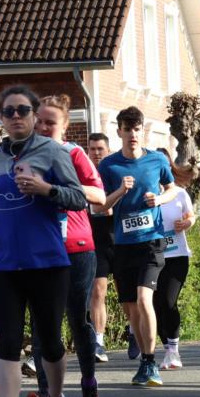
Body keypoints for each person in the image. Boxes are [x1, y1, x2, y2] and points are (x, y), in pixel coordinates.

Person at [0, 85, 87, 397]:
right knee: (7, 341)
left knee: (49, 341)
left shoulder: (52, 152)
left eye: (22, 110)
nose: (16, 117)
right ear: (1, 118)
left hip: (46, 261)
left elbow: (78, 199)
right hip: (2, 262)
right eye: (9, 112)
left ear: (35, 116)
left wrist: (46, 189)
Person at [22, 95, 106, 397]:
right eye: (39, 120)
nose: (43, 127)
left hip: (76, 247)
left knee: (77, 319)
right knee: (43, 324)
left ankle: (88, 382)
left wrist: (58, 185)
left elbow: (99, 198)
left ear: (65, 125)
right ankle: (46, 394)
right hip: (40, 249)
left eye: (50, 122)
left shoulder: (74, 154)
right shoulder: (25, 155)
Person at [96, 106, 179, 387]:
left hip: (151, 243)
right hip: (123, 245)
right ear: (119, 131)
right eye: (127, 129)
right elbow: (100, 204)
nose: (132, 134)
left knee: (145, 300)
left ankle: (150, 361)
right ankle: (145, 359)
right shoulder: (108, 166)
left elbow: (174, 189)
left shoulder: (156, 160)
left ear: (142, 131)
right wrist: (120, 190)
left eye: (136, 129)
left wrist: (159, 199)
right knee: (132, 310)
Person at [154, 149, 196, 370]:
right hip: (152, 255)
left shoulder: (179, 193)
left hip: (177, 255)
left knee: (168, 301)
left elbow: (191, 216)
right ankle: (166, 349)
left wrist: (187, 224)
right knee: (155, 304)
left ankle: (174, 350)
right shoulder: (147, 193)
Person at [86, 132, 114, 362]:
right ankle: (99, 342)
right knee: (98, 290)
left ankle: (135, 332)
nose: (96, 153)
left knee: (132, 296)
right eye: (92, 149)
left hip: (120, 237)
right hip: (96, 238)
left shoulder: (115, 172)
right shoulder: (83, 175)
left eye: (100, 149)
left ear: (108, 150)